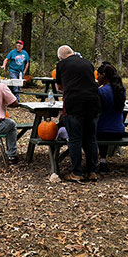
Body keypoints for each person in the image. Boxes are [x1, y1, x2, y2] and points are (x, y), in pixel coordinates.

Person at [55, 45, 101, 182]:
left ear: (60, 57)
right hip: (93, 103)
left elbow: (59, 86)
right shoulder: (88, 63)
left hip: (74, 104)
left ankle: (77, 172)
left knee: (75, 138)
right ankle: (93, 171)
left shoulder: (61, 65)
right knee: (91, 138)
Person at [96, 62, 127, 173]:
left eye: (98, 75)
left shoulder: (101, 92)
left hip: (101, 132)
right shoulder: (121, 90)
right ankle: (103, 161)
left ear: (103, 75)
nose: (97, 77)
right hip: (118, 131)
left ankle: (94, 162)